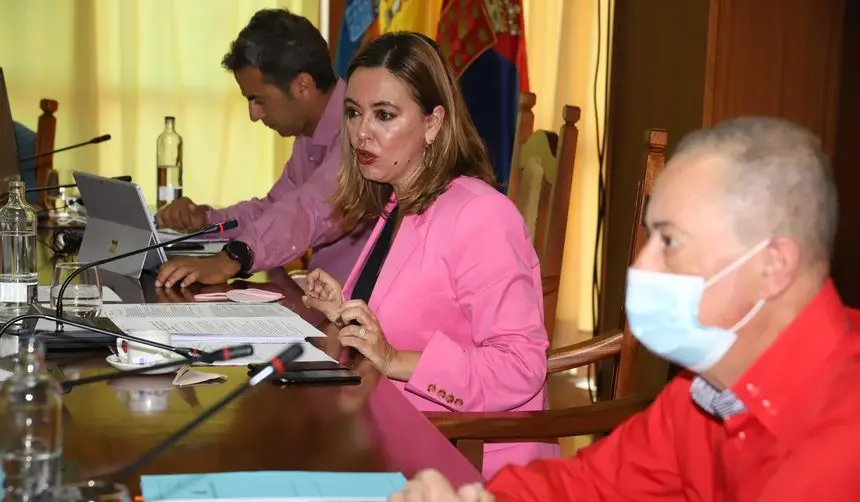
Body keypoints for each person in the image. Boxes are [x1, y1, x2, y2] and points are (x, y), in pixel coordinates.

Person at [389, 117, 860, 501]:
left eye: (670, 241)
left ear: (773, 266)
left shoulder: (837, 445)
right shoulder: (705, 389)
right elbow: (590, 486)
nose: (642, 263)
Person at [302, 32, 558, 478]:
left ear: (433, 123)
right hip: (398, 438)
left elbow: (521, 367)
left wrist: (394, 358)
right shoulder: (399, 201)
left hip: (469, 461)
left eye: (384, 115)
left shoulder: (480, 214)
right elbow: (422, 314)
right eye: (354, 113)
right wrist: (343, 309)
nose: (362, 132)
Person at [154, 8, 370, 288]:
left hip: (366, 314)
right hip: (329, 301)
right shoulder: (309, 134)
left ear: (302, 85)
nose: (253, 115)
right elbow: (273, 209)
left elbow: (312, 208)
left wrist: (231, 259)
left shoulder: (361, 128)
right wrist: (206, 221)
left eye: (258, 99)